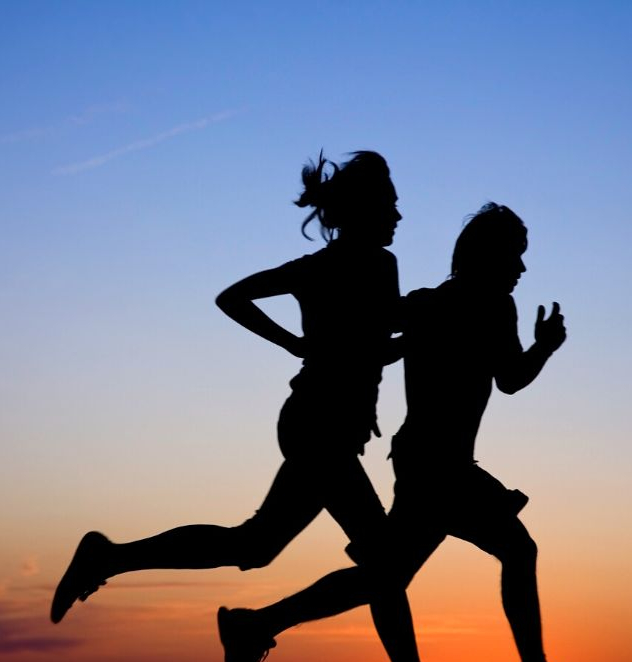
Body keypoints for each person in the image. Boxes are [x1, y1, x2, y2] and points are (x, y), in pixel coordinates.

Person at [216, 203, 610, 662]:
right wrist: (315, 334)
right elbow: (368, 330)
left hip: (433, 464)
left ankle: (257, 624)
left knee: (383, 577)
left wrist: (542, 347)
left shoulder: (480, 307)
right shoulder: (438, 306)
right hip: (434, 468)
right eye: (515, 256)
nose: (521, 268)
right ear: (487, 256)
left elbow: (509, 378)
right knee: (515, 549)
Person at [50, 151, 409, 636]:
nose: (398, 216)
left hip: (322, 426)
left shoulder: (335, 267)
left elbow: (368, 345)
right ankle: (265, 631)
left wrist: (311, 346)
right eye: (390, 206)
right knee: (383, 559)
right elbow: (365, 345)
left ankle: (112, 557)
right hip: (319, 427)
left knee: (255, 546)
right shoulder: (370, 266)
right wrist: (298, 343)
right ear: (364, 210)